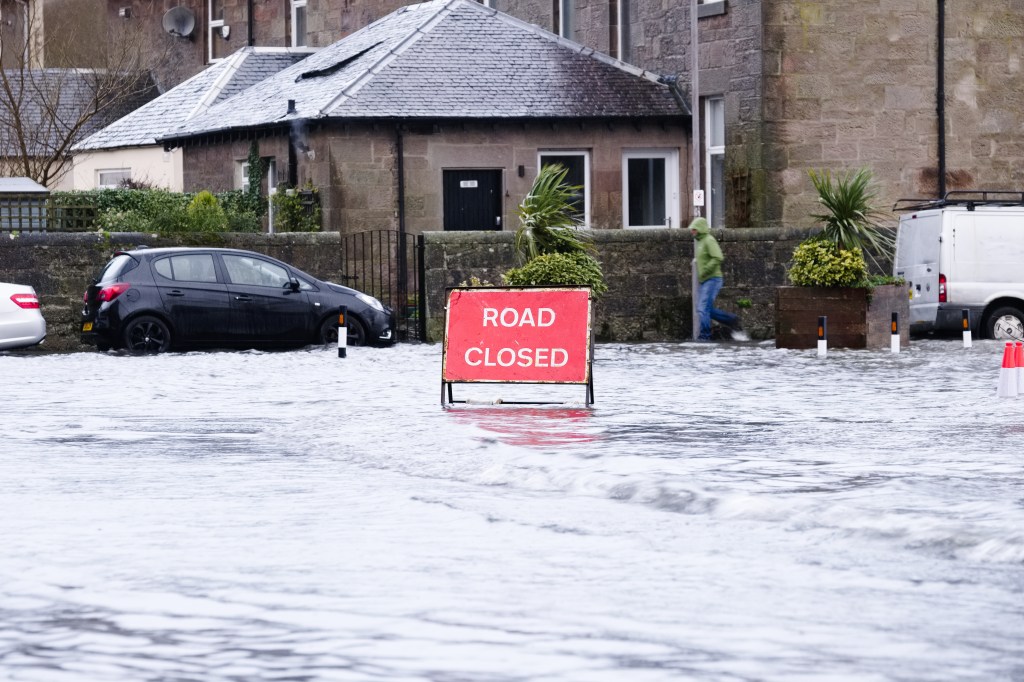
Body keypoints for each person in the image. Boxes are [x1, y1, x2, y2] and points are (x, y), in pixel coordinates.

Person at [689, 216, 744, 341]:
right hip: (706, 280)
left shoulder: (709, 240)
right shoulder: (699, 242)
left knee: (702, 308)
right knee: (706, 309)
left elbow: (718, 257)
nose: (692, 231)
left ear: (700, 229)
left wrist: (706, 270)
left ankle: (704, 336)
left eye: (694, 229)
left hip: (713, 279)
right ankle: (731, 319)